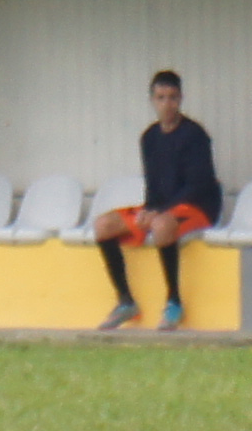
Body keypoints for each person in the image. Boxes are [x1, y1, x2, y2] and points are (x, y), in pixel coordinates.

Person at [93, 70, 224, 330]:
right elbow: (153, 182)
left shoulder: (194, 135)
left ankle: (174, 302)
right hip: (163, 207)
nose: (167, 104)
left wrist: (160, 212)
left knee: (162, 225)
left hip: (198, 206)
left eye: (173, 98)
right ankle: (126, 302)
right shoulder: (149, 137)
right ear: (152, 100)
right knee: (103, 225)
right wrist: (149, 209)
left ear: (181, 99)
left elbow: (198, 185)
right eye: (161, 98)